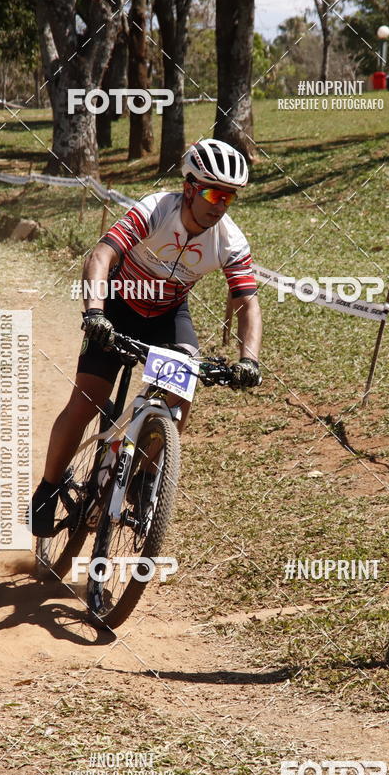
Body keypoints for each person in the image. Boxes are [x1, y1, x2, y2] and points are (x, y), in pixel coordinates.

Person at [29, 138, 263, 538]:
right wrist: (95, 314)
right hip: (120, 305)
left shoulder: (230, 240)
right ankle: (47, 490)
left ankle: (146, 474)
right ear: (189, 187)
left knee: (181, 389)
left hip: (168, 316)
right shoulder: (156, 209)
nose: (219, 203)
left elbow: (248, 303)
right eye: (211, 192)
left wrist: (250, 360)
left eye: (229, 196)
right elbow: (100, 256)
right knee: (88, 399)